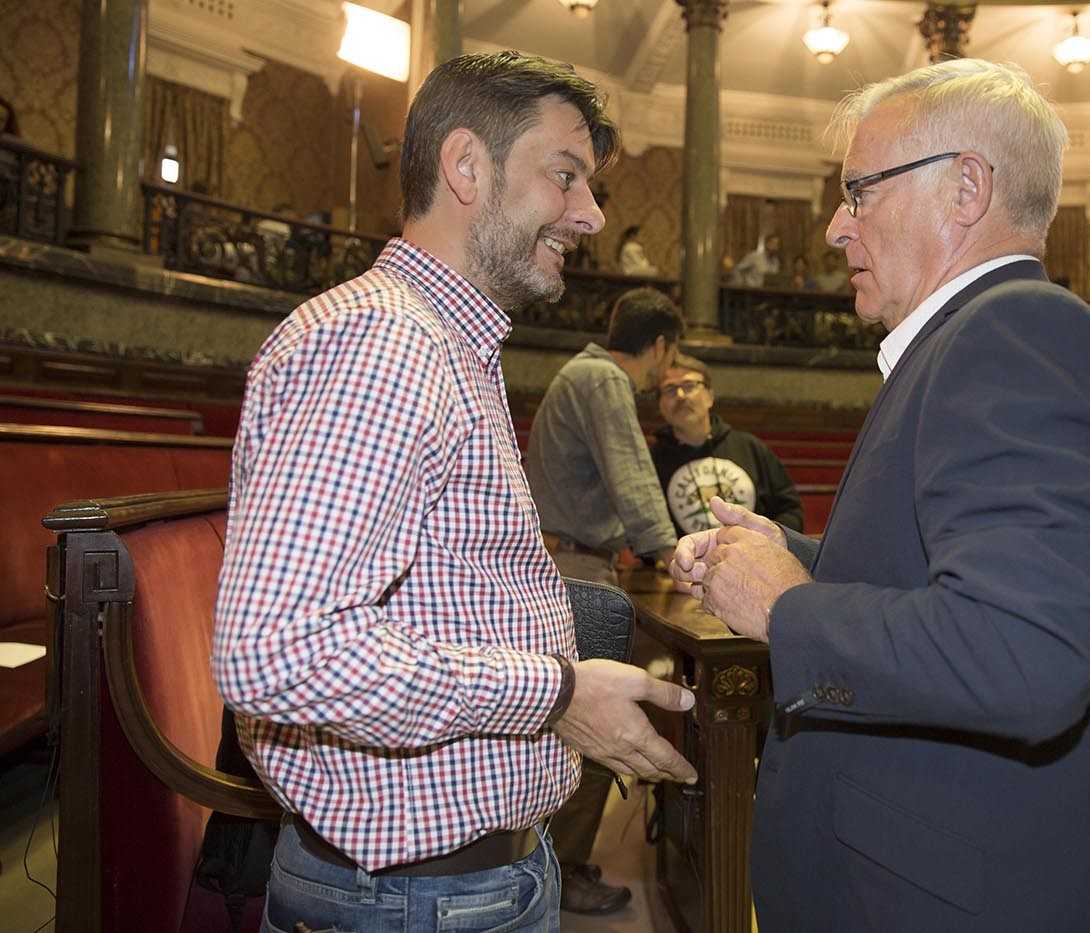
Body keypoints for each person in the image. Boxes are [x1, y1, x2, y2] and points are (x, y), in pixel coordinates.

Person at [670, 58, 1090, 931]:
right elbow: (949, 582)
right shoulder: (970, 343)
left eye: (858, 191)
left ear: (966, 188)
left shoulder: (1018, 336)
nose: (834, 227)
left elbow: (1025, 655)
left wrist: (788, 609)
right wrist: (793, 556)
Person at [212, 52, 697, 933]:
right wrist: (555, 693)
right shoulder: (383, 344)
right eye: (567, 176)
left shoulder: (443, 344)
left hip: (450, 885)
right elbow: (277, 651)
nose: (589, 215)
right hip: (412, 899)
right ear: (466, 165)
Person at [524, 285, 682, 914]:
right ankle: (562, 868)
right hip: (575, 569)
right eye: (671, 359)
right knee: (592, 722)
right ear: (661, 345)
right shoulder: (604, 379)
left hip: (572, 558)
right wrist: (676, 557)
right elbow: (634, 478)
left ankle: (559, 860)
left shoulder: (582, 373)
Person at [652, 354, 804, 536]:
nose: (680, 395)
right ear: (660, 405)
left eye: (689, 385)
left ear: (710, 396)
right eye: (670, 389)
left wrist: (766, 542)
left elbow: (791, 511)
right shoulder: (650, 461)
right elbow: (644, 529)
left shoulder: (750, 448)